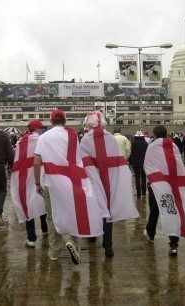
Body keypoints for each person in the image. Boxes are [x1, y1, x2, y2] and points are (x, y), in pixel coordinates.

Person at [34, 109, 104, 265]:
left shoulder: (44, 137)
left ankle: (54, 252)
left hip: (51, 181)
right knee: (72, 213)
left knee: (52, 217)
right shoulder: (72, 136)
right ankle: (72, 242)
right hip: (71, 180)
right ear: (64, 121)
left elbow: (36, 162)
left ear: (51, 121)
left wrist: (37, 183)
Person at [80, 111, 139, 257]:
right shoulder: (111, 138)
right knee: (108, 210)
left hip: (93, 180)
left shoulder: (85, 140)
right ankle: (108, 246)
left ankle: (92, 236)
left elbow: (83, 162)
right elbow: (119, 159)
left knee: (94, 207)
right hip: (110, 179)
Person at [143, 125, 185, 256]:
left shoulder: (152, 147)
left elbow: (147, 165)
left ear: (155, 135)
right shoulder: (174, 146)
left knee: (155, 210)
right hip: (172, 184)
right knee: (173, 210)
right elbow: (179, 165)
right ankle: (173, 244)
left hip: (157, 185)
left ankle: (150, 233)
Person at [10, 119, 48, 247]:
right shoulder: (42, 140)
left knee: (27, 203)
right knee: (42, 201)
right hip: (39, 174)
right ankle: (45, 229)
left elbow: (15, 159)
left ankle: (31, 238)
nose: (42, 130)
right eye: (41, 128)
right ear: (37, 129)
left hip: (24, 177)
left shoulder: (21, 142)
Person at [130, 131, 148, 198]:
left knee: (137, 178)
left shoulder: (133, 143)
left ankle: (138, 194)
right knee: (143, 177)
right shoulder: (145, 143)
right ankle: (144, 192)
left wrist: (131, 161)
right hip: (144, 162)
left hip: (136, 162)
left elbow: (131, 153)